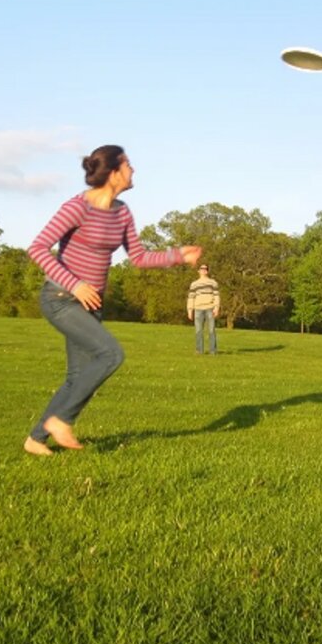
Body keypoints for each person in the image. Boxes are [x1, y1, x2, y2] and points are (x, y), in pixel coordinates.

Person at [24, 145, 202, 456]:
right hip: (61, 297)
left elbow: (139, 257)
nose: (133, 170)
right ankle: (62, 421)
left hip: (91, 304)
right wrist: (75, 284)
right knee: (110, 355)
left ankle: (36, 438)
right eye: (129, 164)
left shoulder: (121, 212)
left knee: (77, 377)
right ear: (114, 172)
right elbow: (37, 248)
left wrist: (177, 255)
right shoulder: (76, 207)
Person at [187, 263, 221, 354]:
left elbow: (216, 296)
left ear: (208, 271)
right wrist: (190, 310)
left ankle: (213, 351)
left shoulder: (213, 283)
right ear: (198, 271)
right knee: (198, 330)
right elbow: (191, 297)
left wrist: (216, 307)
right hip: (198, 308)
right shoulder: (194, 284)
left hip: (210, 308)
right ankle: (199, 350)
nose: (203, 270)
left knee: (211, 330)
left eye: (205, 268)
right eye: (201, 268)